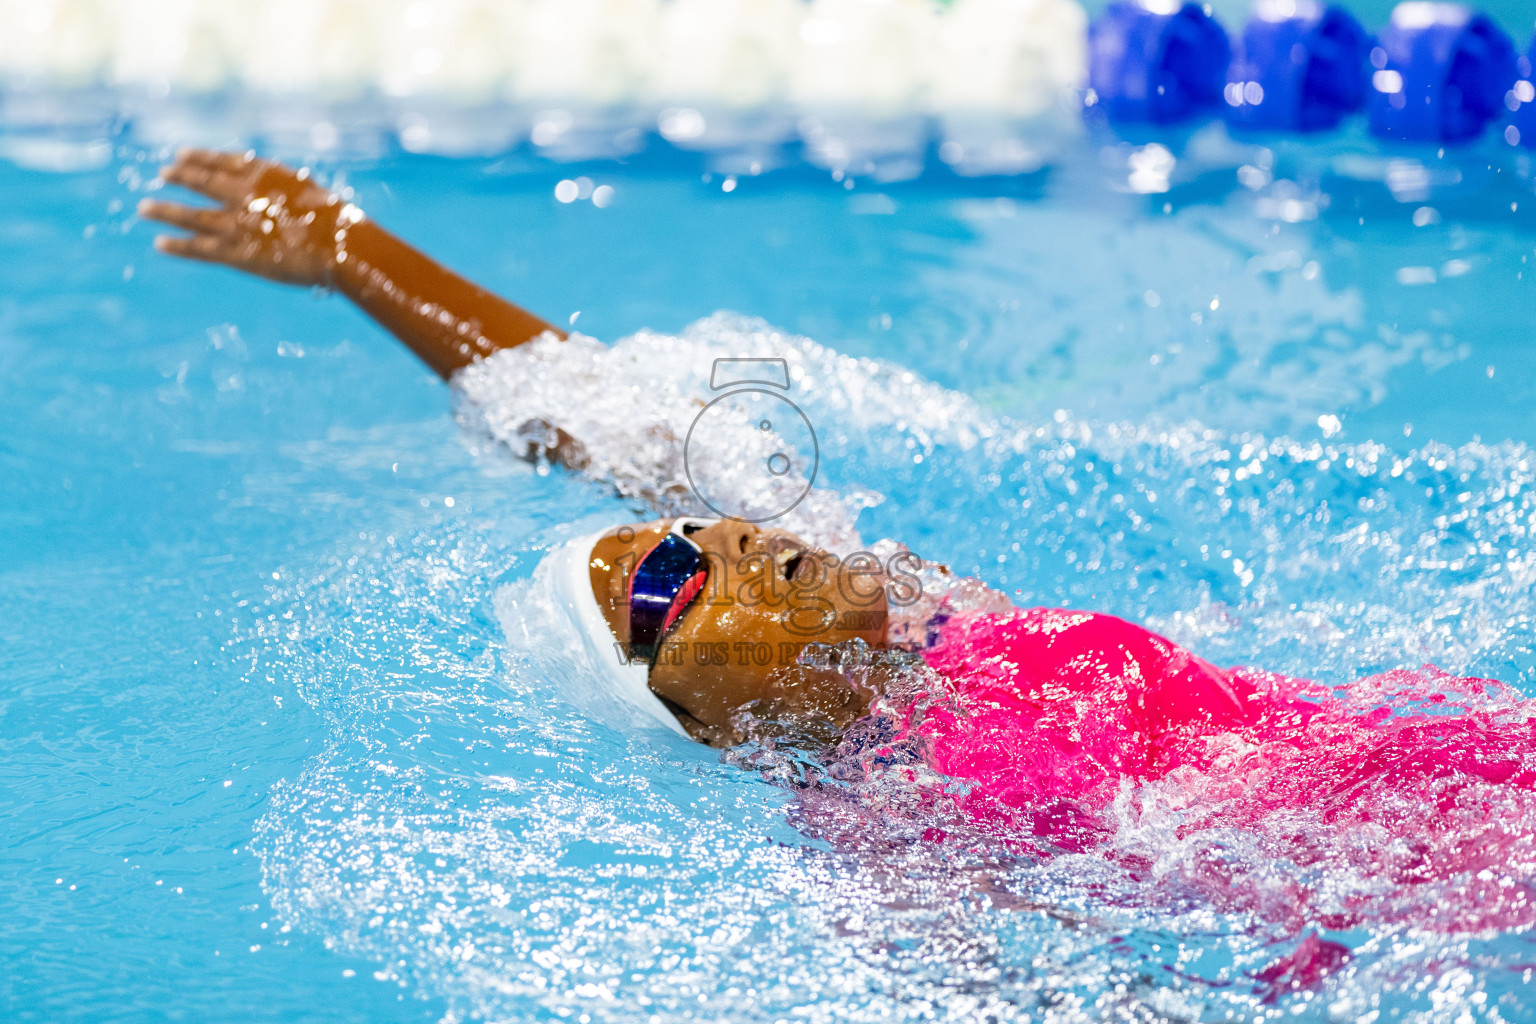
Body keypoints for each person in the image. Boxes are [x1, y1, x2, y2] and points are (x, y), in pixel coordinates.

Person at [140, 151, 1536, 888]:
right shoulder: (889, 834)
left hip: (1452, 744)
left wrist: (348, 251)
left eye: (697, 525)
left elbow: (578, 401)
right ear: (702, 720)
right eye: (671, 583)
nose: (720, 537)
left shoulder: (911, 605)